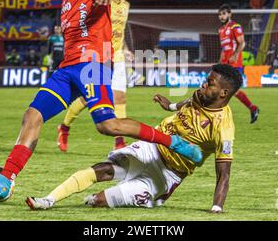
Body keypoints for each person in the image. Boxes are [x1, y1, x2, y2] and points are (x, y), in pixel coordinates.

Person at [0, 0, 202, 202]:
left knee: (108, 125)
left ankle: (174, 144)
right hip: (67, 69)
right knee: (33, 114)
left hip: (93, 64)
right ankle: (6, 179)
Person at [25, 64, 241, 213]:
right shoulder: (199, 96)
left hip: (168, 175)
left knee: (98, 201)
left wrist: (216, 208)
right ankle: (48, 200)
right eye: (206, 81)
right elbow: (188, 102)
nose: (204, 85)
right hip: (151, 148)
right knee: (103, 169)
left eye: (210, 83)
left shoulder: (224, 129)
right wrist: (170, 106)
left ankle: (126, 197)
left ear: (223, 93)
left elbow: (224, 174)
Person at [57, 0, 132, 152]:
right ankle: (65, 127)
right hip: (99, 53)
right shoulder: (99, 0)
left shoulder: (125, 5)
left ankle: (119, 142)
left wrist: (126, 49)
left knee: (120, 97)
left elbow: (119, 31)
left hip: (118, 56)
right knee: (87, 98)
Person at [217, 4, 259, 123]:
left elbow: (242, 43)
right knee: (227, 89)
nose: (221, 16)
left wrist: (235, 55)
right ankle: (252, 108)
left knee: (228, 89)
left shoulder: (235, 27)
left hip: (235, 64)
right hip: (225, 64)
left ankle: (219, 116)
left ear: (230, 14)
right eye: (219, 14)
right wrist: (220, 62)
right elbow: (224, 48)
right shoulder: (220, 30)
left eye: (224, 13)